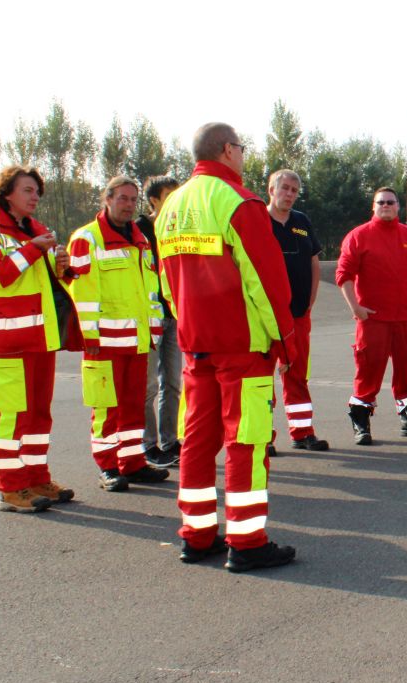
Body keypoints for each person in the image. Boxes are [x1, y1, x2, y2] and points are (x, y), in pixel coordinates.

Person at [154, 122, 299, 572]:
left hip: (197, 345)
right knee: (248, 441)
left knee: (196, 440)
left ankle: (196, 536)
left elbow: (167, 283)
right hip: (242, 346)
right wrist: (285, 340)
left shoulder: (171, 206)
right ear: (227, 151)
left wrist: (188, 329)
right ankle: (246, 539)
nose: (243, 154)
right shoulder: (238, 202)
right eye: (241, 146)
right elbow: (266, 279)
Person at [0, 166, 81, 512]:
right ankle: (11, 489)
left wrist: (62, 266)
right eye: (28, 190)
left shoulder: (36, 231)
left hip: (41, 338)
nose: (34, 198)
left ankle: (36, 478)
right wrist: (32, 249)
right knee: (13, 415)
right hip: (9, 342)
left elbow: (50, 283)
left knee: (38, 416)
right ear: (6, 193)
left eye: (37, 192)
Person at [67, 176, 170, 492]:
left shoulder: (140, 238)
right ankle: (108, 466)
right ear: (107, 199)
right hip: (104, 344)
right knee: (106, 409)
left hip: (137, 342)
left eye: (132, 199)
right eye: (122, 198)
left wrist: (153, 330)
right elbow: (81, 294)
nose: (127, 205)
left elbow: (151, 290)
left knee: (132, 406)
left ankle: (132, 463)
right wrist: (90, 338)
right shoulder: (88, 239)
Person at [336, 187, 407, 444]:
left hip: (404, 319)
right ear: (373, 206)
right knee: (368, 372)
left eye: (391, 202)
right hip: (372, 320)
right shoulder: (358, 237)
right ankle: (361, 422)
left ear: (398, 206)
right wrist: (355, 308)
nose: (386, 206)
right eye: (381, 202)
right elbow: (343, 275)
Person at [266, 169, 328, 453]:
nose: (289, 194)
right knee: (261, 378)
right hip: (265, 317)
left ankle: (302, 432)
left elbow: (314, 263)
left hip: (298, 315)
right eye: (285, 188)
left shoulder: (302, 221)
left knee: (297, 374)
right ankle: (262, 436)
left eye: (294, 190)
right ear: (271, 189)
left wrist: (310, 302)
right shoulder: (257, 220)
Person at [136, 175, 182, 469]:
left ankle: (170, 441)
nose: (175, 199)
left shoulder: (177, 229)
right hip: (147, 319)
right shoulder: (137, 231)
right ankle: (148, 445)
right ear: (154, 199)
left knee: (174, 383)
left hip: (174, 315)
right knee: (149, 386)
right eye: (170, 194)